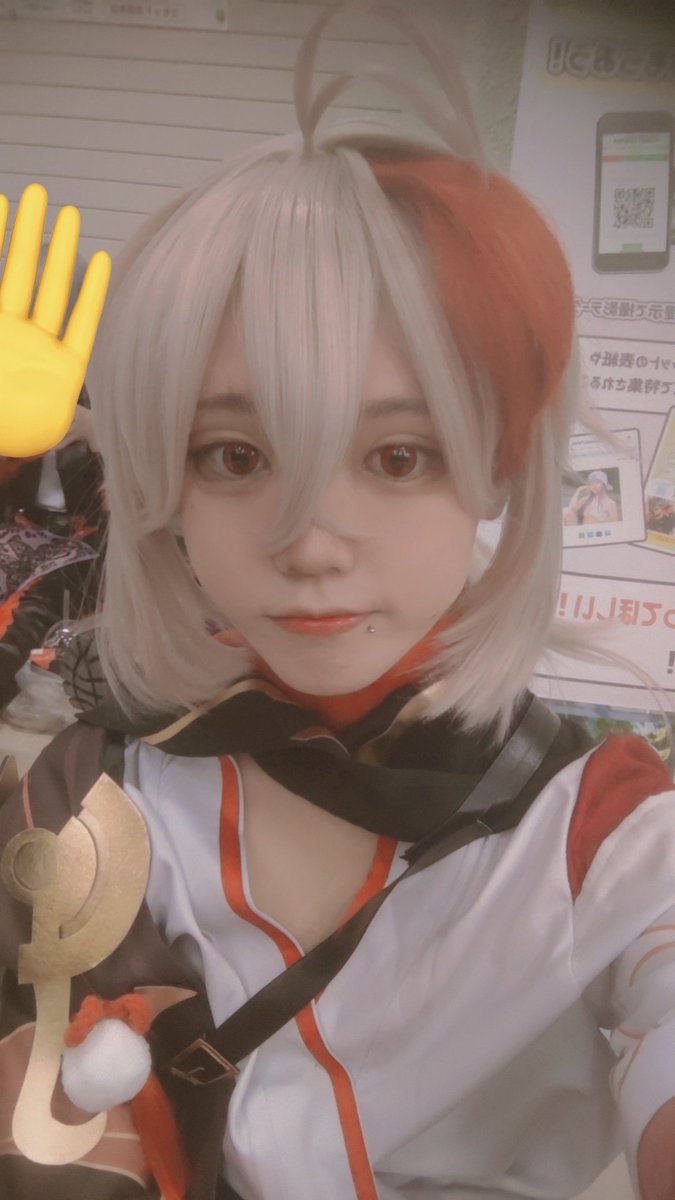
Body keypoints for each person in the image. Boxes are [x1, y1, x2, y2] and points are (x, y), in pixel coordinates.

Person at [0, 3, 674, 1199]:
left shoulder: (602, 835)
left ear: (496, 466)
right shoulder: (98, 792)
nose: (309, 544)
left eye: (398, 456)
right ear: (167, 485)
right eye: (235, 456)